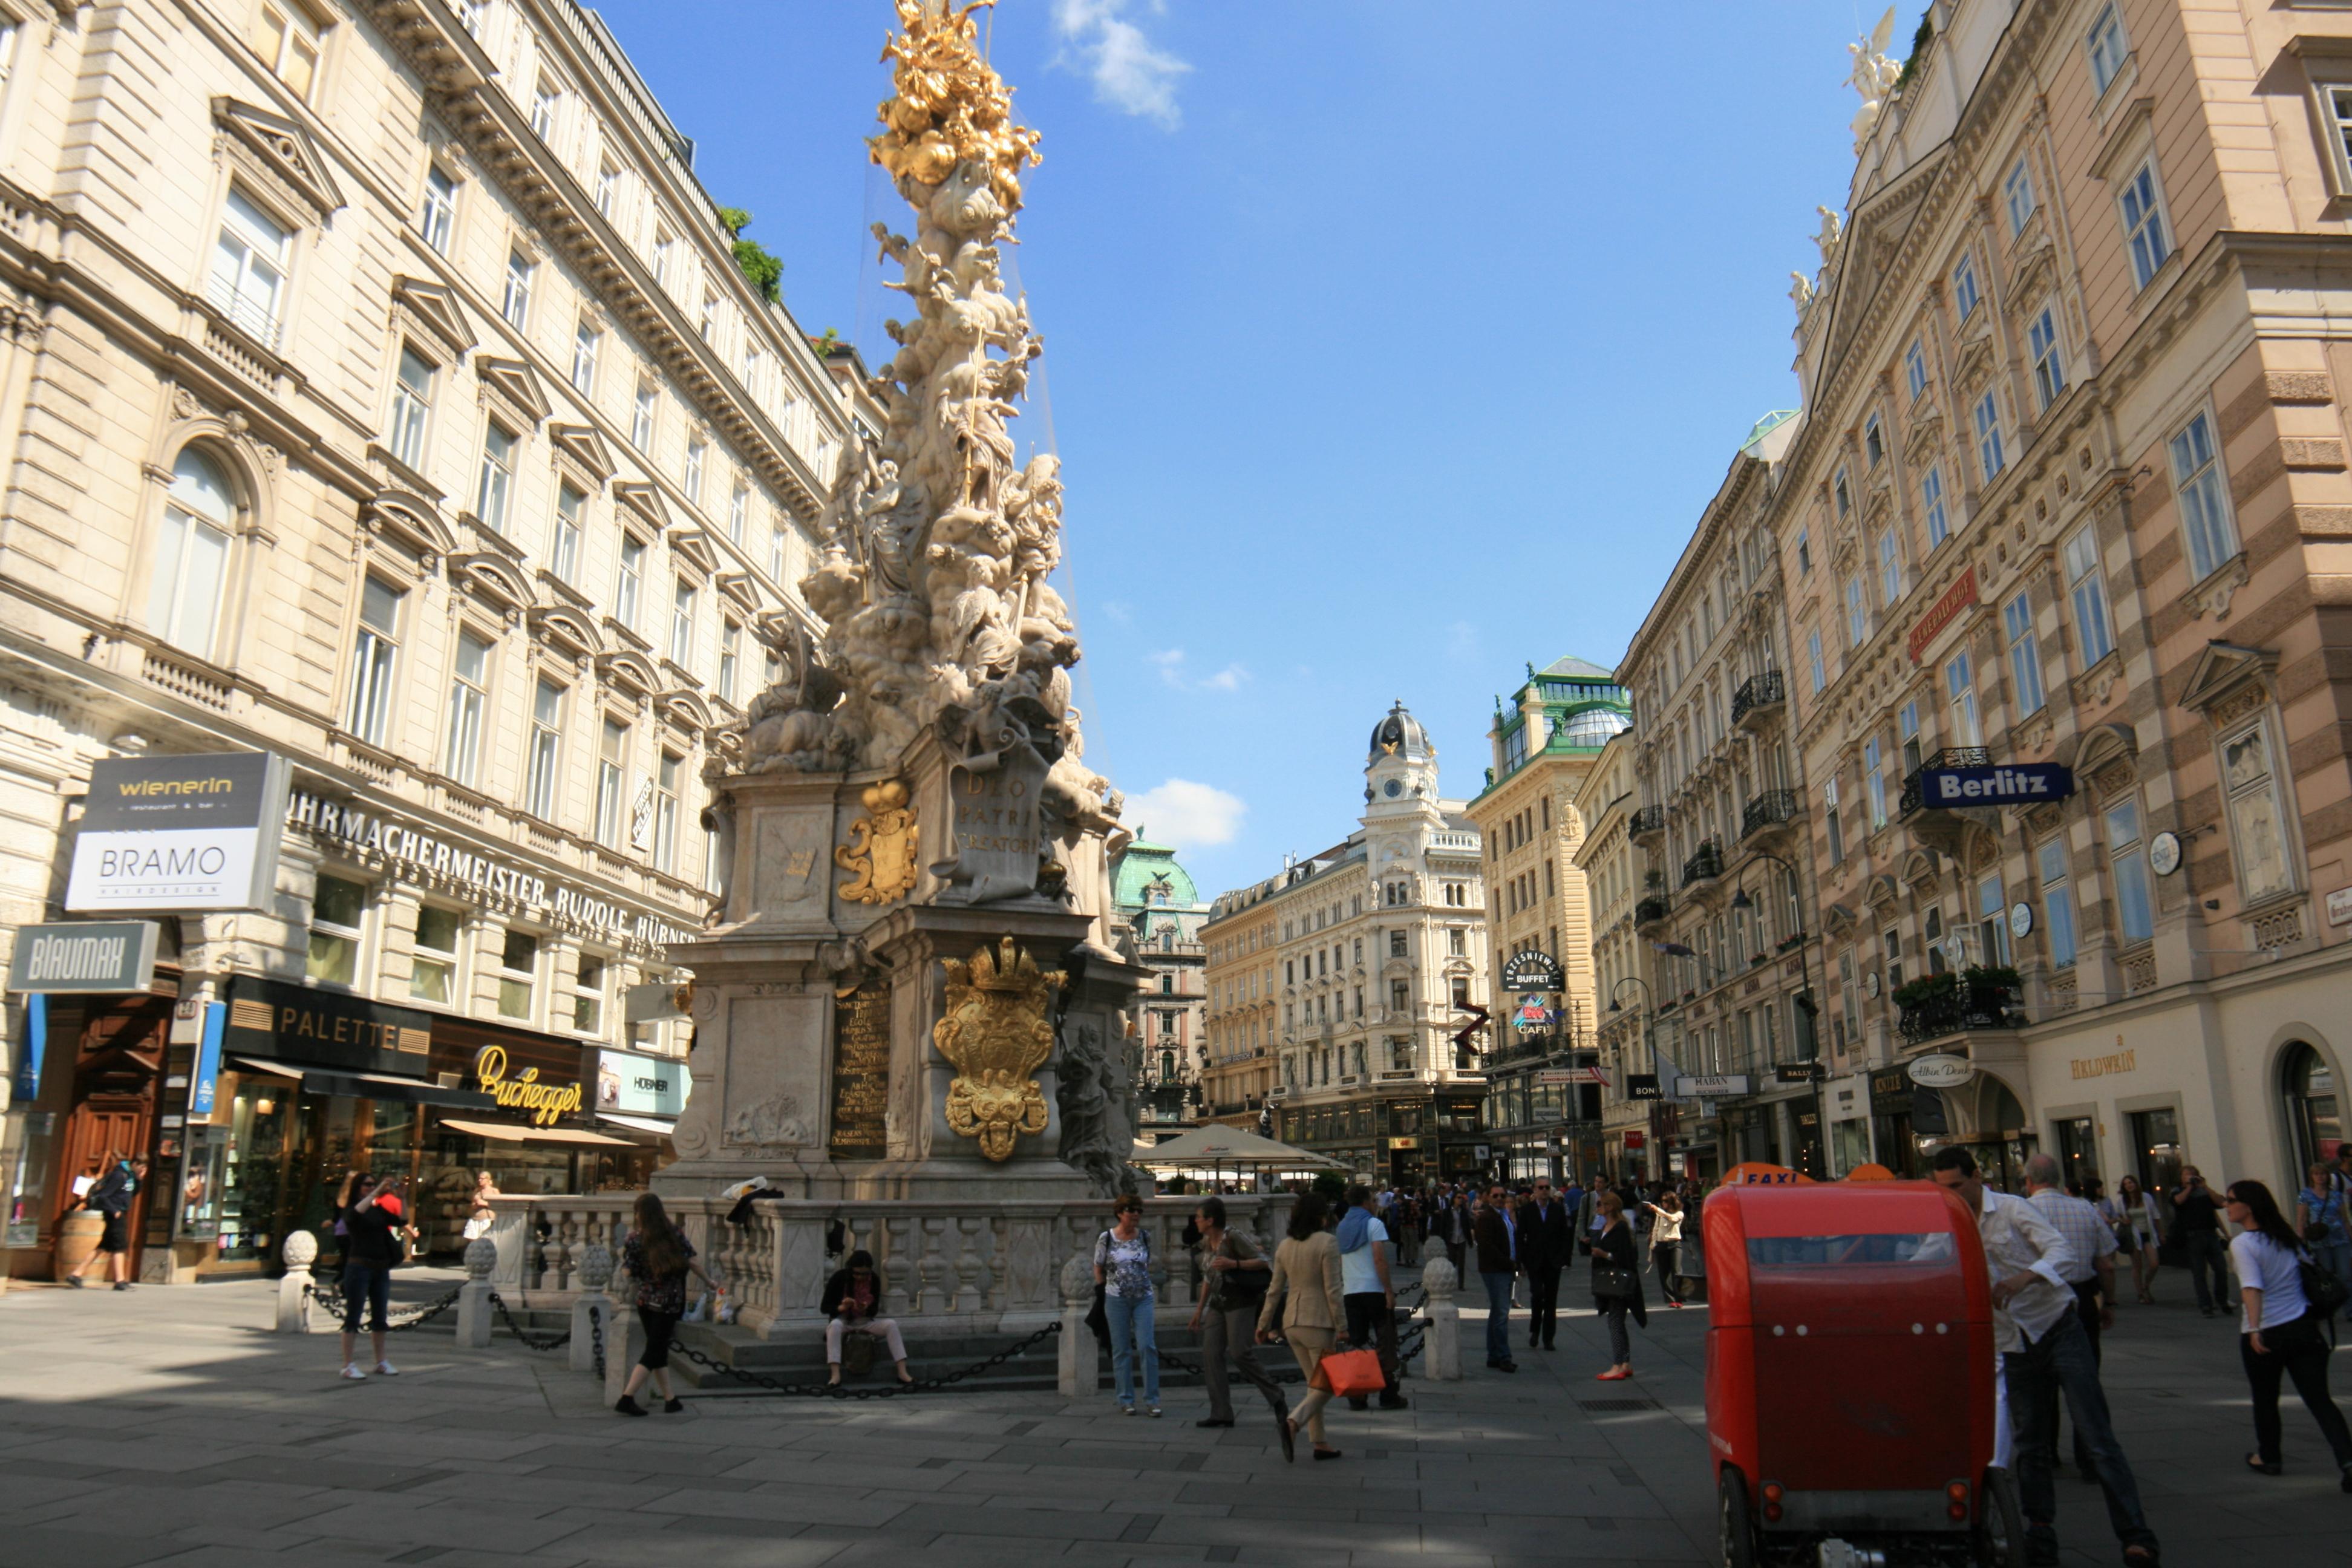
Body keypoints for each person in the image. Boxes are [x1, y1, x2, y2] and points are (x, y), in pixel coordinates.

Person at [1931, 1146, 2158, 1568]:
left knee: (2097, 1436)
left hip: (2057, 1328)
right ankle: (2040, 1533)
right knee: (2031, 1445)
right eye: (1944, 1189)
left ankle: (2136, 1536)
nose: (1954, 1196)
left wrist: (2024, 1277)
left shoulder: (2014, 1210)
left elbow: (2062, 1252)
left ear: (1977, 1176)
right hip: (2012, 1344)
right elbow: (1924, 1263)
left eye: (1959, 1186)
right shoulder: (1946, 1222)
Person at [2227, 1178, 2352, 1484]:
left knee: (2266, 1398)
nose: (2226, 1205)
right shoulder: (2287, 1239)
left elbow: (2251, 1289)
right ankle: (2348, 1462)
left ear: (2249, 1206)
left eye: (2231, 1200)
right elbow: (2309, 1274)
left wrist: (2255, 1329)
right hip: (2304, 1328)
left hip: (2268, 1330)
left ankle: (2269, 1457)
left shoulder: (2243, 1244)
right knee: (2320, 1399)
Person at [2024, 1152, 2118, 1481]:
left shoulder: (2025, 1211)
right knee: (2086, 1380)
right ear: (2060, 1179)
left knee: (2040, 1382)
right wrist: (2108, 1301)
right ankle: (2090, 1457)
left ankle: (2046, 1452)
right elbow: (2107, 1262)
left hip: (2039, 1301)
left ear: (2029, 1180)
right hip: (2081, 1297)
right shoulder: (2086, 1209)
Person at [1258, 1192, 1346, 1460]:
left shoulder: (1285, 1246)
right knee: (1327, 1384)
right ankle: (1293, 1422)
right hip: (1318, 1321)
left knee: (1315, 1384)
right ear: (1321, 1216)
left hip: (1292, 1323)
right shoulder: (1327, 1243)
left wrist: (1263, 1324)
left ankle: (1320, 1442)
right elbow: (1333, 1289)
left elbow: (1273, 1291)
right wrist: (1342, 1325)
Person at [615, 1191, 718, 1416]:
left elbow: (627, 1271)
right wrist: (709, 1282)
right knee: (654, 1351)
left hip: (645, 1300)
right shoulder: (674, 1234)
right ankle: (627, 1397)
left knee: (658, 1350)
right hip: (670, 1301)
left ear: (639, 1214)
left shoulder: (634, 1239)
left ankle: (671, 1399)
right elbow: (693, 1261)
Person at [1187, 1196, 1270, 1428]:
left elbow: (1264, 1261)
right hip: (1217, 1303)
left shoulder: (1233, 1236)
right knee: (1211, 1354)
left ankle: (1275, 1396)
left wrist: (1235, 1264)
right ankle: (1221, 1412)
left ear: (1210, 1220)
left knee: (1240, 1353)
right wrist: (1199, 1309)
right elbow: (1208, 1276)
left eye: (1199, 1218)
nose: (1195, 1221)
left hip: (1240, 1301)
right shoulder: (1206, 1242)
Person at [1336, 1184, 1407, 1411]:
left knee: (1358, 1345)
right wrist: (1388, 1290)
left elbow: (1340, 1260)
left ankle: (1358, 1396)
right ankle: (1389, 1395)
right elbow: (1379, 1259)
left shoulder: (1342, 1226)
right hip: (1373, 1290)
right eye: (1374, 1201)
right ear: (1366, 1202)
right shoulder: (1373, 1224)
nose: (1376, 1205)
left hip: (1351, 1292)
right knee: (1386, 1343)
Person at [1093, 1194, 1160, 1417]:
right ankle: (1126, 1399)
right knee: (1121, 1349)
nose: (1136, 1214)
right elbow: (1098, 1266)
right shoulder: (1107, 1238)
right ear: (1120, 1212)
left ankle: (1152, 1399)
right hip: (1116, 1298)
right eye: (1131, 1210)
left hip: (1143, 1297)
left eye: (1139, 1210)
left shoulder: (1145, 1237)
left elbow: (1147, 1263)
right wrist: (1104, 1289)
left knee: (1147, 1346)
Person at [336, 1175, 406, 1380]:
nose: (372, 1187)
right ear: (358, 1188)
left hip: (380, 1268)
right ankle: (348, 1364)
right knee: (353, 1316)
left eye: (374, 1184)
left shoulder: (377, 1210)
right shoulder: (351, 1209)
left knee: (380, 1316)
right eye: (368, 1185)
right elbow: (354, 1217)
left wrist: (402, 1198)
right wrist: (376, 1193)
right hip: (359, 1267)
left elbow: (402, 1220)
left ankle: (381, 1361)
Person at [820, 1249, 913, 1387]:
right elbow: (825, 1307)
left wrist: (865, 1308)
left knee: (891, 1324)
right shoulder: (840, 1278)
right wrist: (842, 1307)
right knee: (834, 1326)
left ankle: (902, 1372)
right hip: (843, 1320)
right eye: (857, 1273)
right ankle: (835, 1375)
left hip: (864, 1322)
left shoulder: (874, 1280)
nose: (860, 1277)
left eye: (865, 1274)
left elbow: (873, 1310)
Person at [1584, 1188, 1645, 1380]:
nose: (1597, 1207)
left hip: (1617, 1283)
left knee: (1615, 1323)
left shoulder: (1620, 1228)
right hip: (1608, 1281)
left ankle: (1618, 1365)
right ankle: (1625, 1363)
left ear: (1610, 1207)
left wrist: (1604, 1255)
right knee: (1617, 1322)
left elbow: (1626, 1257)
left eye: (1600, 1204)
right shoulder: (1607, 1227)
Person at [64, 1152, 146, 1291]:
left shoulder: (131, 1176)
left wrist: (139, 1179)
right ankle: (120, 1280)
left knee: (103, 1246)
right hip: (115, 1214)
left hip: (120, 1212)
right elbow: (103, 1196)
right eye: (141, 1167)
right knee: (119, 1246)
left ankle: (76, 1274)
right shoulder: (119, 1175)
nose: (142, 1170)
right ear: (135, 1164)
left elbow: (132, 1194)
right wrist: (114, 1211)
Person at [1517, 1178, 1572, 1348]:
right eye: (1541, 1188)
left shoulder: (1557, 1209)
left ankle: (1548, 1338)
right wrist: (1521, 1261)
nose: (1544, 1190)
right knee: (1537, 1295)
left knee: (1551, 1300)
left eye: (1547, 1188)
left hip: (1553, 1262)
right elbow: (1520, 1236)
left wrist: (1564, 1258)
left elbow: (1565, 1235)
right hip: (1534, 1261)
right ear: (1535, 1190)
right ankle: (1535, 1330)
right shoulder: (1527, 1211)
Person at [2170, 1165, 2230, 1318]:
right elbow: (2177, 1202)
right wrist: (2189, 1188)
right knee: (2199, 1273)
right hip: (2192, 1236)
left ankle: (2222, 1300)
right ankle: (2205, 1305)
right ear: (2181, 1178)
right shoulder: (2177, 1191)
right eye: (2186, 1175)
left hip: (2210, 1234)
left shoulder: (2204, 1192)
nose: (2189, 1177)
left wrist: (2206, 1187)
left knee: (2221, 1269)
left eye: (2192, 1175)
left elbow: (2221, 1203)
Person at [1473, 1181, 1520, 1373]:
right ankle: (1504, 1356)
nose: (1500, 1199)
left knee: (1497, 1312)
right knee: (1501, 1313)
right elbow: (1487, 1247)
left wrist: (1517, 1262)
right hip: (1495, 1270)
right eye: (1496, 1196)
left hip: (1505, 1268)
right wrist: (1508, 1263)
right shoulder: (1486, 1217)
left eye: (1503, 1196)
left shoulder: (1504, 1216)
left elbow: (1511, 1241)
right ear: (1488, 1197)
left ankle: (1493, 1355)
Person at [2295, 1163, 2352, 1308]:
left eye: (2323, 1174)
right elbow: (2301, 1218)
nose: (2320, 1177)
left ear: (2327, 1176)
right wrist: (2300, 1237)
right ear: (2312, 1177)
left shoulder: (2336, 1195)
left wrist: (2350, 1234)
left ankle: (2350, 1308)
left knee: (2345, 1274)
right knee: (2325, 1274)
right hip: (2319, 1239)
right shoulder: (2306, 1195)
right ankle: (2330, 1304)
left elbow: (2344, 1218)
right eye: (2316, 1174)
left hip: (2339, 1237)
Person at [2100, 1174, 2161, 1305]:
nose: (2129, 1185)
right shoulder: (2122, 1202)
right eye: (2126, 1184)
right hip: (2133, 1236)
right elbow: (2118, 1217)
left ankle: (2146, 1284)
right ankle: (2140, 1293)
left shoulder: (2146, 1198)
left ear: (2136, 1184)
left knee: (2154, 1264)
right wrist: (2123, 1220)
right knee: (2137, 1265)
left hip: (2148, 1234)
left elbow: (2156, 1215)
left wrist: (2160, 1233)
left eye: (2131, 1183)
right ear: (2124, 1187)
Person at [1641, 1192, 1686, 1307]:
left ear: (1672, 1202)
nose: (1663, 1203)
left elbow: (1672, 1219)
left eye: (1666, 1201)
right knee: (1664, 1273)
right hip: (1661, 1244)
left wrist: (1657, 1210)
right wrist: (1653, 1243)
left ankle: (1679, 1298)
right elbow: (1656, 1229)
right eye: (1662, 1201)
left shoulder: (1679, 1213)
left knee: (1677, 1271)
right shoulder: (1659, 1215)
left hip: (1674, 1243)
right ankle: (1671, 1299)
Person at [461, 1171, 501, 1243]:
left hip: (487, 1219)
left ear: (488, 1180)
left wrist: (485, 1203)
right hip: (476, 1218)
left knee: (485, 1240)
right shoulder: (477, 1191)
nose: (480, 1180)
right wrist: (476, 1204)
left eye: (482, 1179)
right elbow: (473, 1205)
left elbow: (499, 1205)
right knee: (472, 1240)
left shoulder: (494, 1191)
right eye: (479, 1179)